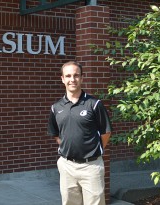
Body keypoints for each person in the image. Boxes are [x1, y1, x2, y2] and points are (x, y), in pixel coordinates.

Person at [47, 61, 112, 205]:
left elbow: (105, 133)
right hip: (67, 166)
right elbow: (56, 134)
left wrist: (93, 150)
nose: (72, 79)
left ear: (82, 78)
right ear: (62, 79)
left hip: (91, 166)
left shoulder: (94, 104)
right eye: (68, 76)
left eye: (76, 75)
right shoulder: (56, 107)